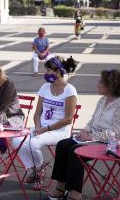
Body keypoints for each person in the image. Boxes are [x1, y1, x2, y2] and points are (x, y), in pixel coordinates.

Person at [41, 69, 120, 200]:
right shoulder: (102, 100)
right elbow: (92, 121)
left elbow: (118, 131)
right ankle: (60, 187)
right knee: (63, 145)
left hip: (109, 143)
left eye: (100, 82)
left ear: (110, 85)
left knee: (75, 151)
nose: (97, 84)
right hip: (91, 138)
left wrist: (93, 136)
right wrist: (85, 130)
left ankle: (75, 194)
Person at [11, 56, 78, 190]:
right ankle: (37, 169)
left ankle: (39, 172)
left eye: (48, 70)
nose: (45, 73)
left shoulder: (70, 90)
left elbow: (68, 119)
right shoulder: (45, 87)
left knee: (33, 143)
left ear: (57, 71)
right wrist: (37, 127)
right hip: (42, 128)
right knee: (16, 140)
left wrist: (45, 129)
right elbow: (37, 113)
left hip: (60, 131)